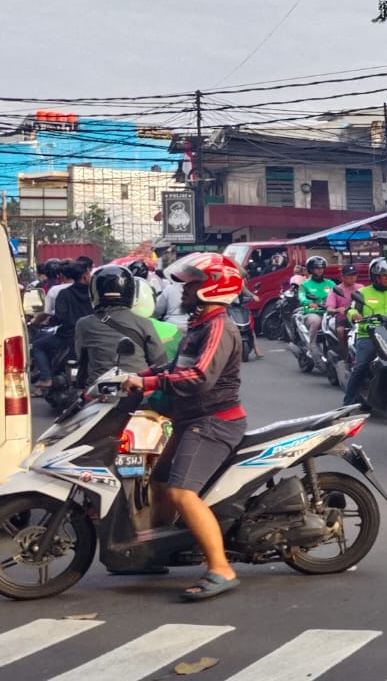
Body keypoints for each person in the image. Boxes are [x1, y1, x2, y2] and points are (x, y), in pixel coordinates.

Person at [120, 252, 249, 601]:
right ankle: (163, 547)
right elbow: (174, 367)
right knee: (159, 481)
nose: (185, 289)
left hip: (214, 423)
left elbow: (198, 377)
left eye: (194, 283)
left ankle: (221, 566)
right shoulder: (200, 325)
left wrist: (146, 385)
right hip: (190, 419)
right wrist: (133, 376)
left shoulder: (219, 327)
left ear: (213, 287)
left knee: (180, 492)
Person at [74, 264, 168, 387]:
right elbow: (160, 361)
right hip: (137, 389)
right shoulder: (144, 323)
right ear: (130, 291)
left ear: (94, 291)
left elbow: (81, 358)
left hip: (99, 391)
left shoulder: (84, 324)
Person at [342, 258, 387, 407]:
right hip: (369, 335)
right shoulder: (362, 293)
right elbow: (352, 308)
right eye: (383, 275)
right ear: (375, 277)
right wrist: (354, 315)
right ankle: (347, 402)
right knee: (360, 367)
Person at [33, 262, 92, 393]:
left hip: (67, 336)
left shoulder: (64, 293)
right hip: (91, 335)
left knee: (37, 345)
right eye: (88, 273)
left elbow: (59, 317)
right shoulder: (93, 293)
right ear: (84, 276)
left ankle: (46, 378)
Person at [327, 263, 363, 354]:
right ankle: (345, 354)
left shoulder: (361, 288)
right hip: (343, 318)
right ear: (342, 277)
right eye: (349, 275)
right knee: (340, 331)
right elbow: (329, 309)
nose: (352, 277)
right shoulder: (336, 290)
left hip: (360, 316)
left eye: (354, 275)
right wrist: (337, 310)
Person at [297, 256, 335, 340]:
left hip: (329, 312)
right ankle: (312, 348)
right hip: (313, 312)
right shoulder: (304, 285)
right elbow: (301, 297)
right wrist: (309, 303)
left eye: (322, 268)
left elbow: (338, 295)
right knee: (316, 321)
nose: (320, 270)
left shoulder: (330, 283)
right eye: (317, 268)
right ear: (311, 269)